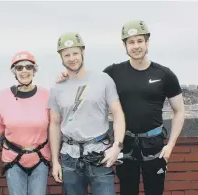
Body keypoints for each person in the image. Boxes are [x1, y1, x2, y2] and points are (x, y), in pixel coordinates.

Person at [56, 20, 185, 195]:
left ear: (147, 42)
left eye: (140, 41)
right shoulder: (113, 72)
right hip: (126, 146)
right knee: (127, 191)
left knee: (155, 191)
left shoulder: (164, 74)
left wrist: (170, 146)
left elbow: (179, 111)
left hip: (154, 146)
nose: (136, 46)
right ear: (124, 45)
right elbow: (89, 83)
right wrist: (67, 76)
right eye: (131, 42)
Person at [48, 32, 126, 195]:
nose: (72, 58)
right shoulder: (57, 88)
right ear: (61, 57)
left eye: (75, 53)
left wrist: (117, 147)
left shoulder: (103, 80)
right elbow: (54, 124)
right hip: (69, 157)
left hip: (99, 154)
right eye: (66, 54)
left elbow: (118, 114)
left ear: (83, 52)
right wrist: (55, 161)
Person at [0, 51, 51, 195]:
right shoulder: (4, 97)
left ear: (34, 70)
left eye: (28, 67)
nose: (24, 71)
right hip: (14, 158)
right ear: (14, 72)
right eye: (19, 68)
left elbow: (55, 127)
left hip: (40, 158)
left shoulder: (46, 95)